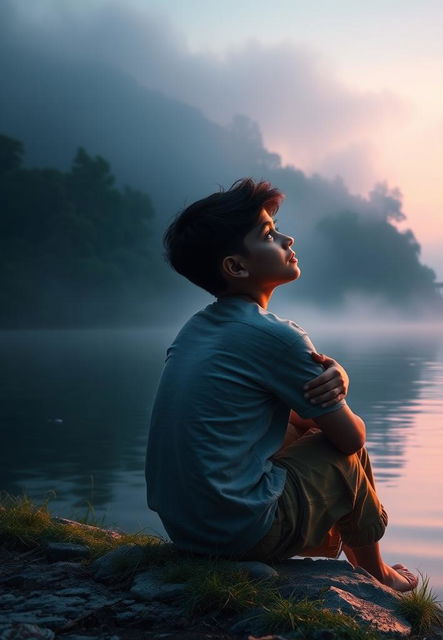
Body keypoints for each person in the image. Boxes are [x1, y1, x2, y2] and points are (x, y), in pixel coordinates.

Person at [145, 178, 417, 591]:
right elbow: (350, 439)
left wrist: (336, 378)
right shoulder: (277, 336)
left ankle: (358, 561)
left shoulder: (195, 330)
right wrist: (339, 392)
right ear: (236, 267)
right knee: (339, 448)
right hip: (239, 532)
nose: (288, 238)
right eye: (270, 235)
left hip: (187, 530)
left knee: (298, 427)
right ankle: (375, 575)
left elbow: (270, 416)